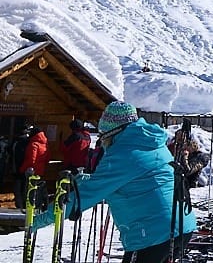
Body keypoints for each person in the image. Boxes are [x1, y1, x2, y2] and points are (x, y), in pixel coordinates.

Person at [31, 101, 196, 263]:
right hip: (181, 224)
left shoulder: (122, 154)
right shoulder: (150, 143)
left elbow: (84, 197)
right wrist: (90, 180)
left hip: (153, 233)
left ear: (114, 132)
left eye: (104, 136)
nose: (103, 143)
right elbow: (137, 178)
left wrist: (40, 219)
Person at [17, 124, 49, 210]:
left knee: (28, 189)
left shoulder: (34, 144)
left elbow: (31, 159)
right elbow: (47, 158)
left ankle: (27, 206)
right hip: (40, 170)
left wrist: (22, 169)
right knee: (37, 189)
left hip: (31, 170)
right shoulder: (44, 144)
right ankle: (36, 206)